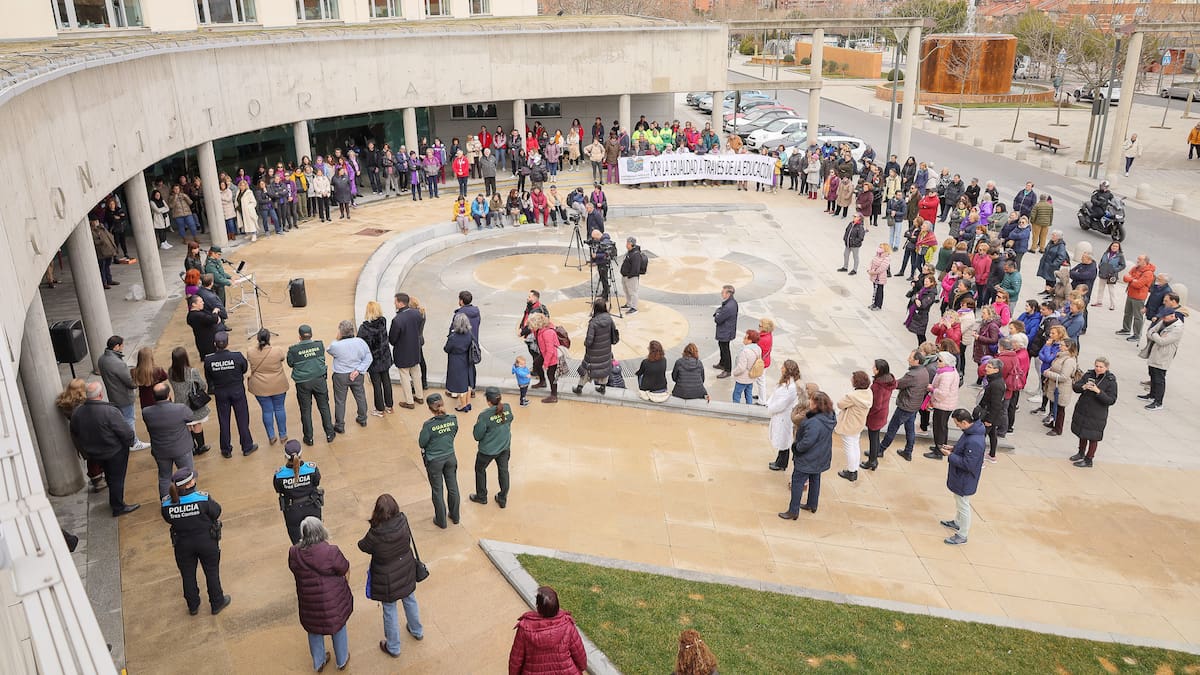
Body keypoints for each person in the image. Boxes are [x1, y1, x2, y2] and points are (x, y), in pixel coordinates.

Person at [356, 494, 424, 660]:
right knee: (410, 599)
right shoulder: (403, 520)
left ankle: (393, 646)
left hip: (386, 577)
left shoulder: (375, 533)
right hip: (406, 568)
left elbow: (362, 546)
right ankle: (417, 630)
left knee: (390, 609)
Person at [160, 468, 230, 615]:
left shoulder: (167, 503)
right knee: (211, 572)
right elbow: (216, 511)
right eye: (193, 479)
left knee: (187, 574)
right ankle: (217, 602)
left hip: (182, 544)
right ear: (189, 484)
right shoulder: (202, 499)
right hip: (206, 541)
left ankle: (193, 605)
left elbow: (167, 518)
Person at [289, 517, 353, 672]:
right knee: (338, 626)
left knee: (313, 629)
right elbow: (345, 569)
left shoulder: (294, 552)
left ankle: (319, 662)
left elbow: (294, 569)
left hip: (309, 601)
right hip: (332, 601)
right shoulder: (331, 551)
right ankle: (342, 660)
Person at [71, 382, 139, 516]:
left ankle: (115, 501)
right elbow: (126, 432)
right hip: (114, 452)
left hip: (95, 453)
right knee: (117, 479)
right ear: (101, 395)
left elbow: (75, 433)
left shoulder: (77, 412)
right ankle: (118, 507)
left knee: (110, 476)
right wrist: (130, 443)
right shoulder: (109, 411)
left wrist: (85, 452)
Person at [778, 391, 836, 519]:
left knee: (797, 482)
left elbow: (807, 442)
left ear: (816, 404)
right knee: (815, 479)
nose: (809, 402)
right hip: (821, 455)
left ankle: (793, 511)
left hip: (808, 457)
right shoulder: (830, 415)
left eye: (811, 401)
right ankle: (812, 504)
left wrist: (796, 448)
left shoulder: (814, 422)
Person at [508, 586, 586, 675]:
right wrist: (581, 667)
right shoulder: (567, 625)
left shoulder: (525, 628)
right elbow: (580, 655)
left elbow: (516, 659)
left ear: (538, 607)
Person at [203, 332, 258, 459]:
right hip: (237, 390)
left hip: (221, 392)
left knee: (224, 421)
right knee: (242, 419)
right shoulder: (237, 356)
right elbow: (244, 368)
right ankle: (247, 446)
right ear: (227, 343)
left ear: (214, 344)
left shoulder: (209, 359)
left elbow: (208, 377)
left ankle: (226, 449)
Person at [937, 409, 986, 545]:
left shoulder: (974, 440)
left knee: (963, 504)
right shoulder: (971, 433)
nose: (957, 427)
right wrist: (954, 449)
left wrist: (950, 455)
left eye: (958, 424)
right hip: (961, 478)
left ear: (964, 422)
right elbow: (965, 451)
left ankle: (962, 534)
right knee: (959, 501)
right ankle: (957, 522)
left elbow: (968, 464)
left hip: (965, 479)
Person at [143, 382, 199, 498]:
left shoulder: (146, 412)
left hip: (161, 451)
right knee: (188, 475)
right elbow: (192, 419)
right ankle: (191, 499)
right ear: (169, 395)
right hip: (182, 449)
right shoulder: (180, 409)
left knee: (164, 477)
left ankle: (166, 501)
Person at [98, 335, 150, 451]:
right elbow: (130, 382)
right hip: (124, 396)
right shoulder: (117, 363)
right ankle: (133, 442)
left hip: (113, 395)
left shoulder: (102, 359)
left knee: (122, 419)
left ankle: (126, 440)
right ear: (117, 347)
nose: (123, 347)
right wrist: (137, 381)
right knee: (129, 419)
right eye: (122, 345)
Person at [287, 325, 336, 446]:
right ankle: (329, 433)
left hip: (303, 383)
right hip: (319, 380)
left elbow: (290, 363)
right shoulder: (319, 345)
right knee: (324, 407)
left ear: (299, 336)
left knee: (305, 410)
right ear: (311, 334)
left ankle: (309, 438)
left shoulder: (293, 350)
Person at [878, 350, 931, 462]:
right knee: (910, 428)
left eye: (910, 357)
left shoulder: (912, 374)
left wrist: (885, 381)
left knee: (892, 428)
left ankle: (881, 449)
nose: (908, 359)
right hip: (915, 405)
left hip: (905, 406)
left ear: (917, 360)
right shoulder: (924, 371)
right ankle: (908, 451)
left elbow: (898, 384)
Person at [418, 394, 460, 529]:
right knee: (453, 487)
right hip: (450, 457)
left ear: (430, 408)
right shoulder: (453, 419)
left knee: (437, 491)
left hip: (434, 460)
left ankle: (441, 520)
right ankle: (455, 516)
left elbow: (422, 443)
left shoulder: (429, 425)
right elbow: (453, 433)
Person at [469, 387, 514, 508]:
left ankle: (482, 496)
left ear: (488, 401)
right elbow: (510, 419)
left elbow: (477, 436)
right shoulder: (507, 407)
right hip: (504, 447)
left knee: (480, 470)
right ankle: (502, 498)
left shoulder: (484, 415)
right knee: (503, 471)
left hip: (487, 451)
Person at [1070, 357, 1118, 467]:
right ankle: (1081, 453)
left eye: (1101, 367)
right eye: (1096, 366)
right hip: (1083, 408)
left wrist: (1098, 391)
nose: (1098, 369)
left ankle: (1089, 459)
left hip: (1097, 413)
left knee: (1093, 436)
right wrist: (1083, 387)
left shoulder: (1110, 381)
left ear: (1106, 367)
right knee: (1082, 433)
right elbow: (1076, 386)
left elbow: (1111, 400)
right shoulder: (1089, 374)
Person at [327, 320, 372, 433]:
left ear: (341, 332)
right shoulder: (360, 342)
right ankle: (362, 419)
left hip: (341, 376)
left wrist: (338, 338)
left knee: (340, 400)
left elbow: (329, 350)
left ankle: (340, 425)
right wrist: (358, 370)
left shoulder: (336, 345)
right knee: (360, 396)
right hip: (357, 374)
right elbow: (368, 358)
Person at [274, 440, 323, 544]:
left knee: (298, 544)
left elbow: (278, 490)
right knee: (317, 541)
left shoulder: (279, 475)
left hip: (292, 512)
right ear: (301, 454)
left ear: (285, 456)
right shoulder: (312, 469)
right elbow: (316, 482)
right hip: (312, 507)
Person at [246, 328, 289, 445]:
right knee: (280, 408)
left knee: (267, 411)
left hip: (260, 387)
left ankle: (271, 436)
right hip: (278, 385)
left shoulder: (250, 351)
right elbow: (282, 359)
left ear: (257, 339)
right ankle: (283, 434)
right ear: (269, 338)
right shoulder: (277, 351)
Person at [1139, 309, 1184, 411]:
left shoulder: (1177, 328)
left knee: (1159, 378)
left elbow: (1162, 341)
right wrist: (1156, 335)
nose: (1163, 319)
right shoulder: (1164, 321)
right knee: (1152, 373)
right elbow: (1149, 331)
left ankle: (1158, 402)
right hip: (1154, 352)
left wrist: (1155, 335)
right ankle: (1152, 395)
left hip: (1163, 355)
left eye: (1165, 317)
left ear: (1172, 316)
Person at [356, 301, 395, 416]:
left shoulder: (364, 328)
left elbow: (360, 345)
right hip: (385, 357)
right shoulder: (383, 322)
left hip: (373, 360)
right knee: (386, 381)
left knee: (376, 384)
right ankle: (389, 406)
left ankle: (380, 409)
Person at [835, 371, 872, 482]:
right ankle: (854, 469)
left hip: (849, 425)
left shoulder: (852, 396)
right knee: (855, 446)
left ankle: (851, 472)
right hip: (859, 423)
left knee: (849, 448)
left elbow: (840, 404)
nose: (851, 380)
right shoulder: (869, 392)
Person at [389, 293, 425, 410]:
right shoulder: (417, 314)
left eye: (395, 301)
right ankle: (419, 396)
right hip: (415, 349)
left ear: (400, 303)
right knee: (416, 373)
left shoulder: (397, 320)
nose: (394, 303)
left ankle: (409, 401)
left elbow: (392, 339)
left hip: (403, 352)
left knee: (404, 376)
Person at [922, 352, 961, 460]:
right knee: (942, 426)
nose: (937, 362)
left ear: (947, 363)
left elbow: (942, 393)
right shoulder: (948, 371)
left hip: (943, 404)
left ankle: (939, 451)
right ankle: (940, 446)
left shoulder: (946, 375)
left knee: (939, 427)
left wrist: (932, 389)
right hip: (946, 403)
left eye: (940, 360)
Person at [861, 359, 897, 471]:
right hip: (883, 413)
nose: (872, 368)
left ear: (878, 370)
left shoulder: (878, 386)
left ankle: (872, 461)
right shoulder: (888, 380)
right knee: (875, 436)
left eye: (874, 367)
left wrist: (867, 414)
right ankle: (874, 454)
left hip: (876, 415)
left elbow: (876, 405)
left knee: (873, 438)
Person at [1117, 255, 1155, 340]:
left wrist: (1131, 279)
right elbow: (1125, 277)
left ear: (1145, 261)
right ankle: (1126, 329)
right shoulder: (1135, 268)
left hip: (1139, 297)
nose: (1137, 260)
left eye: (1139, 259)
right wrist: (1133, 279)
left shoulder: (1148, 273)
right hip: (1130, 293)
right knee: (1127, 313)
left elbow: (1139, 284)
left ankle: (1137, 335)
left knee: (1138, 317)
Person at [977, 359, 1007, 463]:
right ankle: (992, 454)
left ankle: (978, 460)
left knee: (980, 437)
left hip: (990, 414)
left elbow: (996, 405)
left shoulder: (996, 385)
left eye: (989, 367)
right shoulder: (994, 381)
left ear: (996, 370)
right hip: (992, 414)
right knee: (992, 434)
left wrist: (989, 420)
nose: (986, 368)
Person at [445, 313, 475, 413]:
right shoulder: (469, 334)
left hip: (456, 361)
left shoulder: (453, 337)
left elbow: (447, 348)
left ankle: (463, 405)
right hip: (467, 359)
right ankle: (468, 403)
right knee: (467, 383)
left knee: (461, 385)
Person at [530, 313, 562, 403]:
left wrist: (546, 364)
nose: (532, 328)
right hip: (545, 354)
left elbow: (550, 350)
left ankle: (554, 395)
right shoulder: (540, 329)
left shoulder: (547, 332)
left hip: (552, 357)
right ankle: (542, 382)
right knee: (536, 363)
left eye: (533, 326)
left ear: (538, 324)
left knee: (551, 375)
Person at [712, 285, 738, 378]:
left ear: (728, 293)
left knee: (725, 349)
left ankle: (727, 370)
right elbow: (719, 310)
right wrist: (718, 312)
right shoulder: (731, 303)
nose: (721, 294)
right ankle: (722, 363)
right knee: (722, 346)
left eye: (723, 292)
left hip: (725, 331)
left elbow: (718, 319)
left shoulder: (728, 306)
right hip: (727, 330)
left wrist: (717, 314)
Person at [730, 329, 762, 404]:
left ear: (750, 340)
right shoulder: (758, 349)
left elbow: (741, 367)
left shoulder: (745, 351)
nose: (743, 339)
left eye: (745, 337)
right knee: (748, 394)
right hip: (751, 377)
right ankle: (749, 409)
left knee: (736, 395)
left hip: (742, 378)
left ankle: (736, 409)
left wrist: (734, 372)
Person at [620, 236, 646, 314]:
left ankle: (634, 307)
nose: (626, 245)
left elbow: (636, 268)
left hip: (631, 277)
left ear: (632, 244)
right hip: (626, 276)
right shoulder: (630, 252)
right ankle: (628, 304)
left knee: (633, 292)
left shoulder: (636, 254)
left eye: (628, 243)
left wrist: (629, 276)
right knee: (627, 291)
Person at [867, 244, 891, 311]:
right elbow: (871, 262)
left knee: (879, 291)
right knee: (875, 290)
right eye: (879, 247)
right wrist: (869, 270)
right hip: (874, 276)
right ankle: (874, 303)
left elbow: (882, 268)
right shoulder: (877, 255)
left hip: (880, 277)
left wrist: (873, 271)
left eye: (881, 247)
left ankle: (878, 305)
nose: (879, 248)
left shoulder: (886, 258)